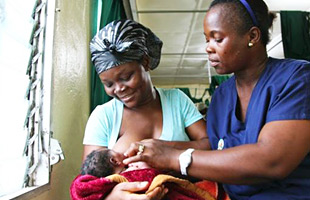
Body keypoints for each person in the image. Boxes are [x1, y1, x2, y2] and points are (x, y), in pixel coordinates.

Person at [123, 0, 310, 199]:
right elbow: (216, 147)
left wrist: (173, 157)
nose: (208, 48)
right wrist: (156, 149)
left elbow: (273, 161)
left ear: (252, 36)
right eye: (207, 40)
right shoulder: (222, 95)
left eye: (217, 39)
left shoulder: (296, 79)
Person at [83, 19, 209, 199]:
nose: (119, 89)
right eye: (109, 84)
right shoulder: (103, 117)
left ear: (145, 61)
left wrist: (165, 151)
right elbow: (88, 187)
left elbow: (209, 144)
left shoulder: (177, 100)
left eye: (126, 77)